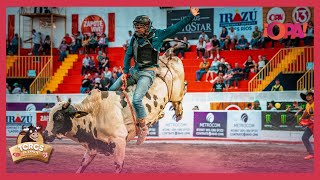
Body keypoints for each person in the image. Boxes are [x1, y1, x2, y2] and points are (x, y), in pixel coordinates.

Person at [108, 7, 200, 145]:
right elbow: (128, 55)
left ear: (146, 27)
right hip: (134, 71)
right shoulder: (134, 37)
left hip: (148, 73)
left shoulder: (159, 35)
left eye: (139, 27)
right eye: (136, 27)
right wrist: (125, 72)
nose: (136, 29)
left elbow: (176, 27)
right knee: (110, 91)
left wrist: (190, 16)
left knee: (137, 100)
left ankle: (143, 128)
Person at [299, 90, 314, 160]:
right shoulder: (307, 104)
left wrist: (308, 121)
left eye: (309, 95)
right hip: (312, 124)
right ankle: (311, 153)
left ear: (313, 96)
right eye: (307, 96)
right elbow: (306, 112)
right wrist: (301, 118)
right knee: (304, 137)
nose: (307, 97)